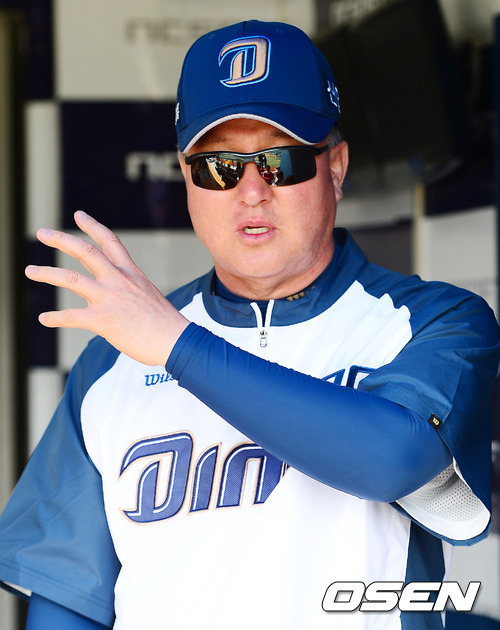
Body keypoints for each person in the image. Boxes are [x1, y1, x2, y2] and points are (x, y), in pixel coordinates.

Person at [0, 19, 499, 630]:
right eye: (219, 167)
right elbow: (67, 599)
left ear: (336, 167)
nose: (252, 191)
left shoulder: (434, 320)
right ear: (186, 177)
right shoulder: (112, 361)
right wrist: (164, 341)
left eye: (282, 161)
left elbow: (397, 458)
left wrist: (176, 346)